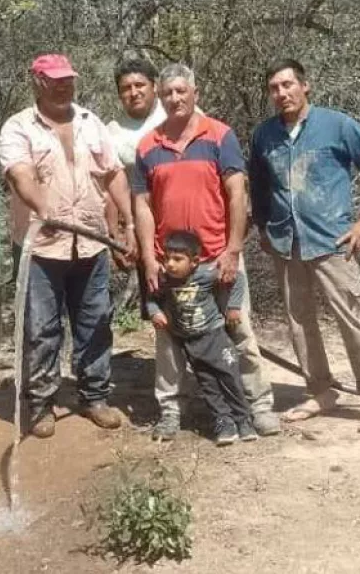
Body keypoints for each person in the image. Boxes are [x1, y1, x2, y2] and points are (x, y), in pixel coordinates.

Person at [130, 63, 281, 441]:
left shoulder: (219, 135)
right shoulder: (148, 146)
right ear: (159, 99)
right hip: (172, 264)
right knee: (168, 337)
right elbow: (143, 205)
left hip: (217, 257)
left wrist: (233, 249)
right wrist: (150, 257)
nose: (175, 98)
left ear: (195, 93)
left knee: (238, 330)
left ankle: (257, 406)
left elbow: (236, 193)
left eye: (181, 91)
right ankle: (170, 409)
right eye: (167, 93)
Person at [247, 58, 360, 434]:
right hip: (286, 242)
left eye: (288, 85)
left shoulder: (337, 125)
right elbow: (260, 186)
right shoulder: (265, 135)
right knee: (299, 322)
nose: (282, 93)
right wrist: (263, 226)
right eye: (274, 88)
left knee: (353, 316)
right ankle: (321, 390)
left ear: (305, 86)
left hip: (332, 239)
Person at [0, 53, 137, 438]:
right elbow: (20, 174)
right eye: (54, 79)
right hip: (43, 246)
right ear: (37, 82)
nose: (63, 86)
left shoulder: (91, 123)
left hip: (91, 244)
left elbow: (113, 175)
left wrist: (125, 223)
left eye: (68, 79)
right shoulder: (18, 127)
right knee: (42, 328)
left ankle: (94, 396)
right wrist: (44, 207)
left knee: (95, 322)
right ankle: (41, 404)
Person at [145, 230, 257, 446]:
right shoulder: (165, 280)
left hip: (215, 339)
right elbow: (152, 297)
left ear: (194, 261)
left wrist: (233, 308)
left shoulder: (205, 274)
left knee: (230, 379)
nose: (170, 264)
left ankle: (244, 420)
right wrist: (155, 312)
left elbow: (238, 279)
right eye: (167, 258)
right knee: (208, 385)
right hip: (191, 344)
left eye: (178, 259)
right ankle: (224, 422)